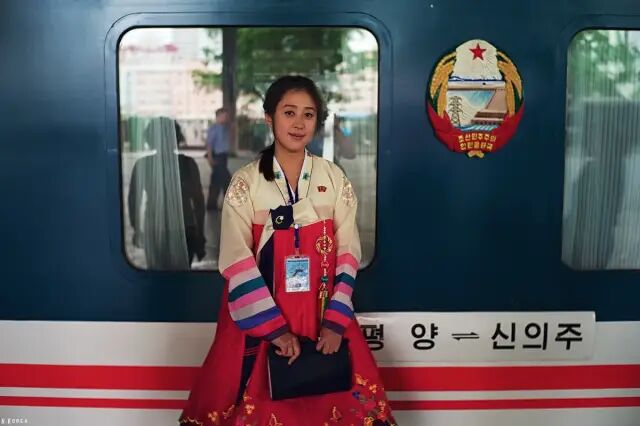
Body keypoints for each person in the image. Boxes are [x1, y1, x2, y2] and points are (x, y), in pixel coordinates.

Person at [179, 76, 396, 425]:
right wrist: (275, 330)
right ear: (269, 117)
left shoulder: (334, 178)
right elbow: (236, 259)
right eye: (289, 112)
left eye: (308, 114)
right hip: (261, 318)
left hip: (323, 317)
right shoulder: (246, 182)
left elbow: (348, 252)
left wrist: (335, 323)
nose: (299, 123)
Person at [129, 118, 205, 269]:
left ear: (150, 139)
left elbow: (133, 201)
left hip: (154, 229)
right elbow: (198, 202)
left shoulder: (143, 165)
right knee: (182, 277)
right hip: (185, 228)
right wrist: (200, 235)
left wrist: (137, 229)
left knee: (157, 275)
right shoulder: (188, 164)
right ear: (177, 138)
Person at [206, 107, 233, 210]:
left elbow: (231, 125)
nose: (226, 118)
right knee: (227, 181)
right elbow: (209, 144)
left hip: (223, 157)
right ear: (218, 116)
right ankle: (228, 204)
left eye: (226, 116)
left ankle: (211, 204)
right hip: (218, 157)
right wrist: (210, 158)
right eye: (224, 116)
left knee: (216, 181)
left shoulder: (225, 127)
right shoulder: (214, 128)